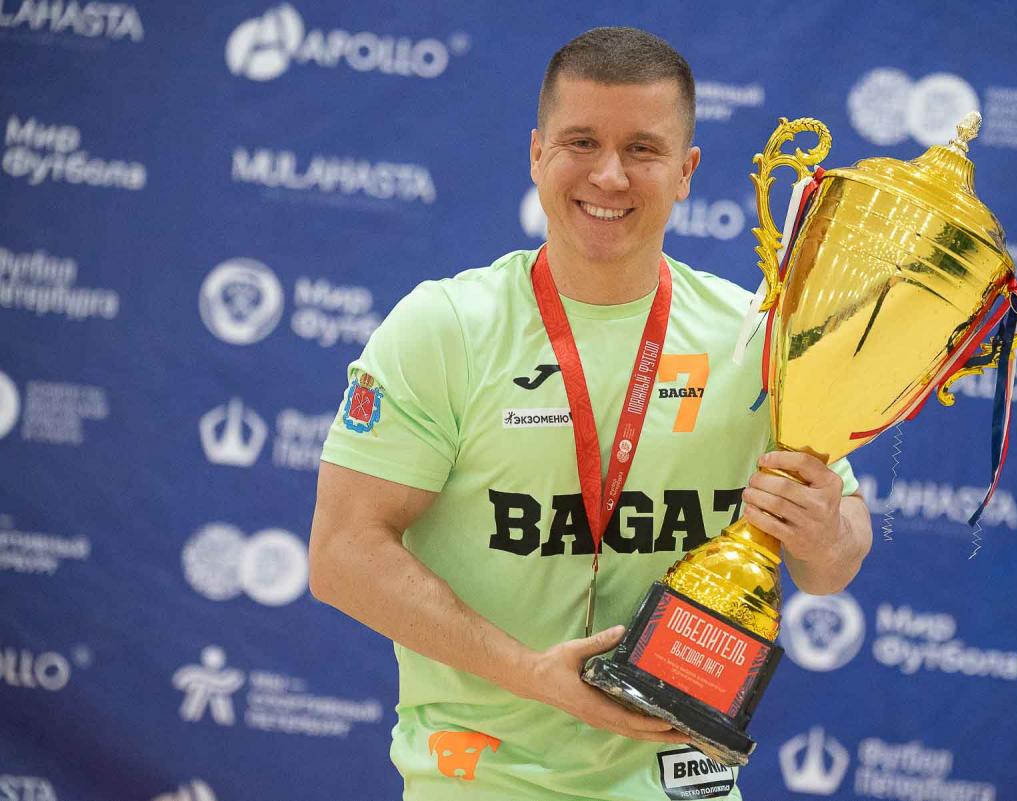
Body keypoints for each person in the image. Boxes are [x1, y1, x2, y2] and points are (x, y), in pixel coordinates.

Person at [309, 26, 872, 801]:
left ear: (686, 172)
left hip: (681, 783)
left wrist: (825, 531)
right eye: (582, 142)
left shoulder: (758, 340)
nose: (609, 175)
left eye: (643, 149)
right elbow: (342, 552)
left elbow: (832, 561)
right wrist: (530, 673)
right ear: (537, 153)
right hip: (482, 779)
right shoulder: (446, 327)